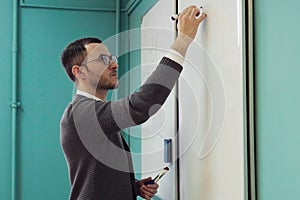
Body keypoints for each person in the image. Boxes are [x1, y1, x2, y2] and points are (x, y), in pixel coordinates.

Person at [60, 5, 206, 200]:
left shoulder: (92, 112)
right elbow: (140, 105)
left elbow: (96, 175)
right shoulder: (81, 114)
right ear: (80, 72)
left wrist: (133, 188)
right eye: (103, 59)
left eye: (111, 57)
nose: (113, 63)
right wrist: (182, 41)